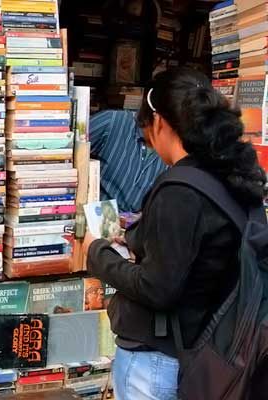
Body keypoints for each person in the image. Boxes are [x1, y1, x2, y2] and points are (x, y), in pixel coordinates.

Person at [82, 68, 266, 399]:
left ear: (160, 122)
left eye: (147, 130)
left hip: (157, 358)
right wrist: (139, 236)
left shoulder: (179, 189)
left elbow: (158, 288)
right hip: (204, 350)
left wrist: (96, 252)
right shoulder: (229, 176)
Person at [89, 108, 168, 212]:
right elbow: (67, 153)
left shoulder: (175, 152)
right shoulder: (112, 121)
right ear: (158, 119)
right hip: (92, 217)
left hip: (137, 225)